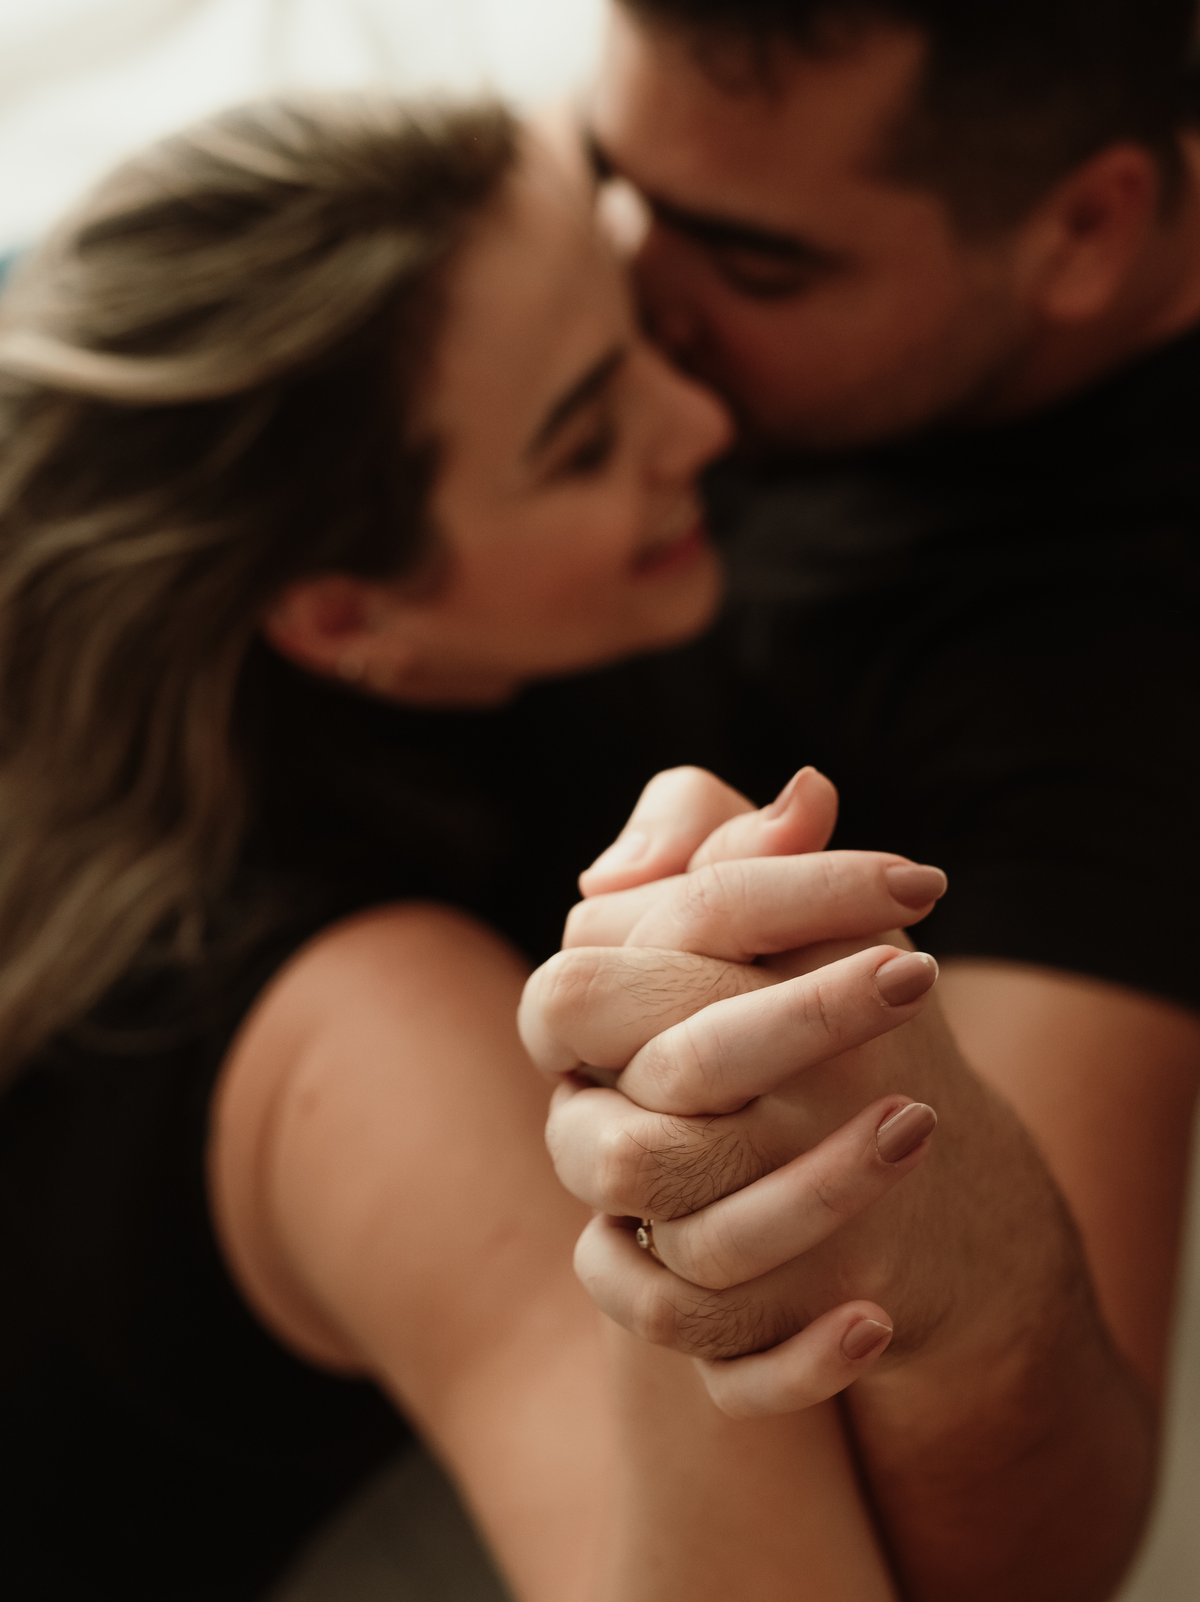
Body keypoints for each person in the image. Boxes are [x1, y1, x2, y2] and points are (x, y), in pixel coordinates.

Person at [0, 90, 966, 1601]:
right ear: (344, 612)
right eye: (585, 442)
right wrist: (663, 1173)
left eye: (631, 309)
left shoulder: (380, 613)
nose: (704, 423)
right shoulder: (354, 1034)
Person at [519, 0, 1200, 1597]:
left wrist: (951, 1235)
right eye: (615, 177)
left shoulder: (1111, 664)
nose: (634, 305)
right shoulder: (798, 148)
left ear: (1086, 227)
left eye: (756, 265)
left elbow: (1055, 1546)